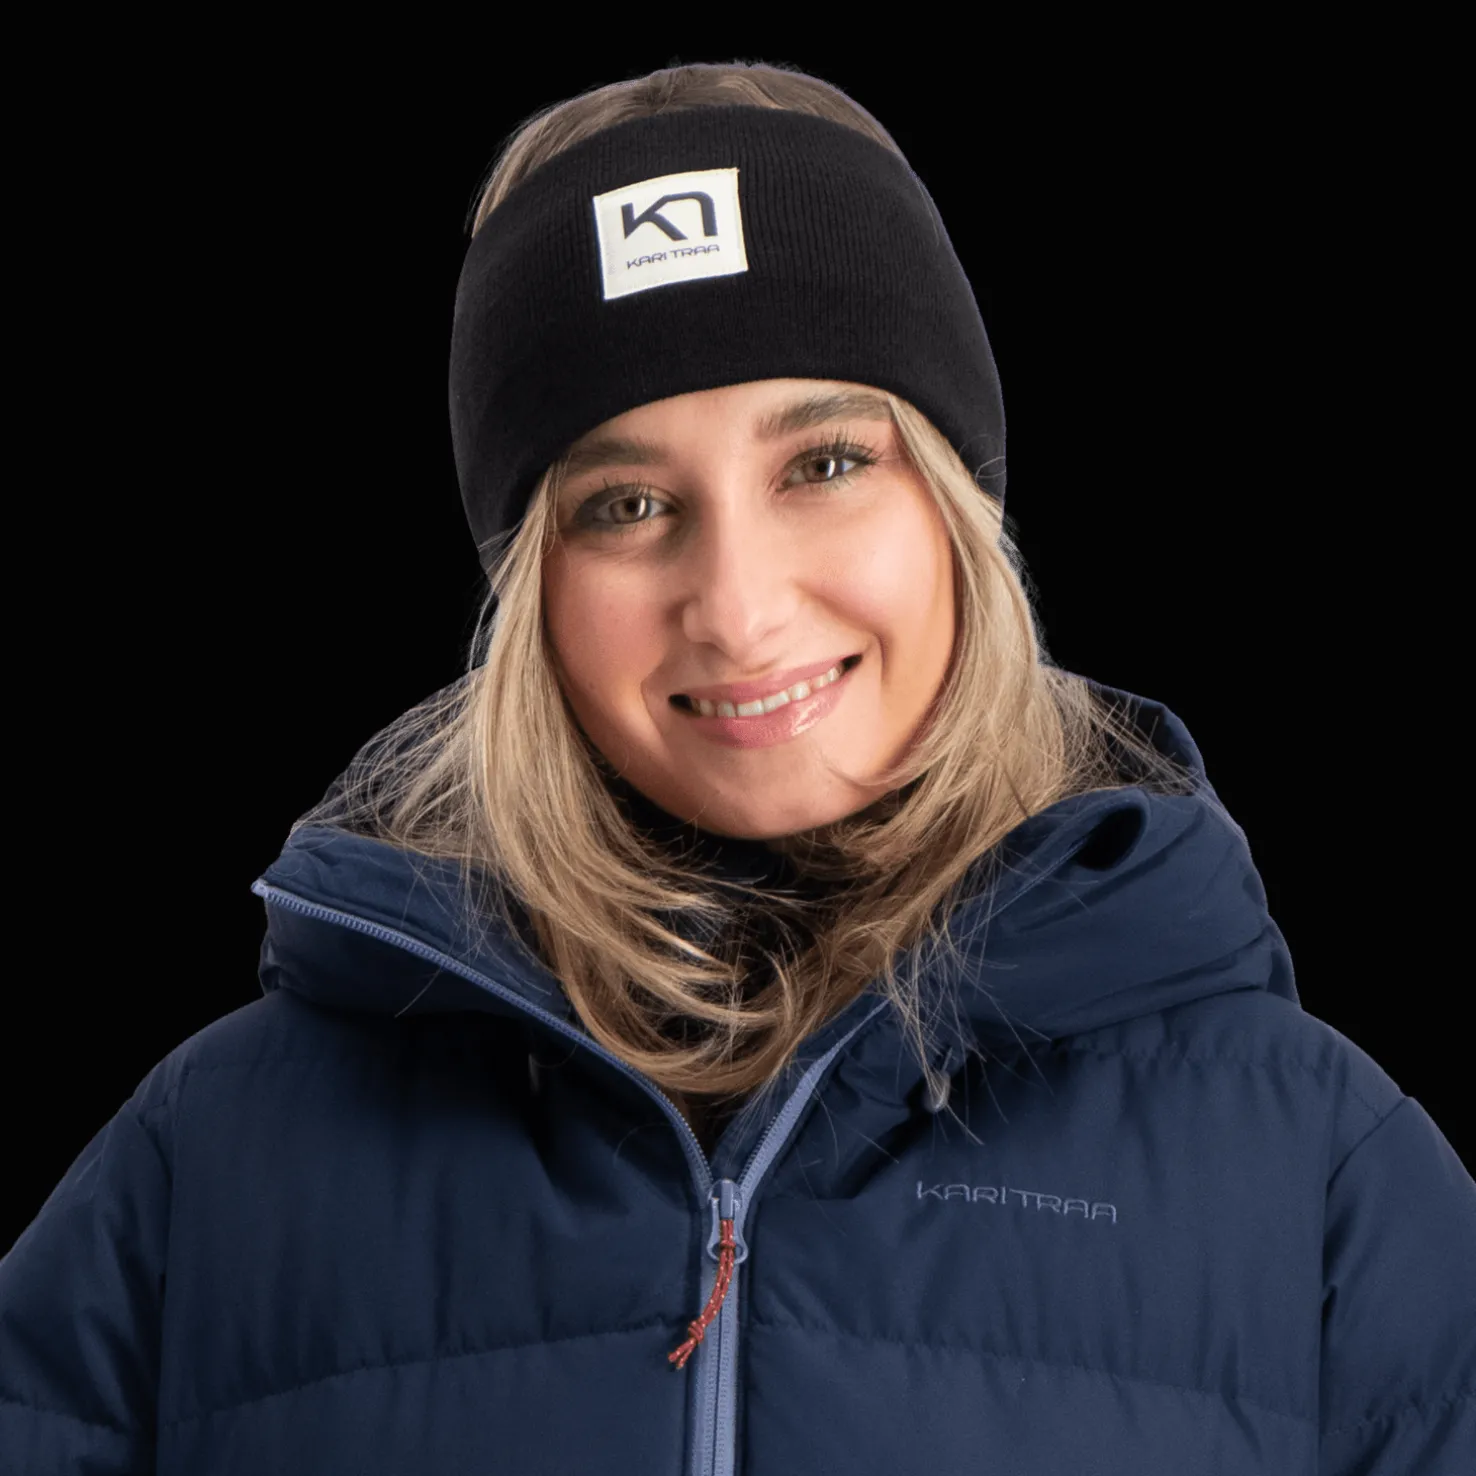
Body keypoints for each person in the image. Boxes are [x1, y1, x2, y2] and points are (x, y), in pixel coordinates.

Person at [2, 60, 1472, 1476]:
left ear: (956, 506)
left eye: (823, 464)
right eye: (625, 504)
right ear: (527, 596)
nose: (740, 607)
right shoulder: (209, 1169)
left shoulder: (1320, 1170)